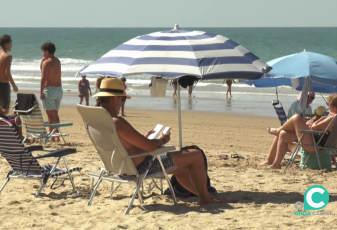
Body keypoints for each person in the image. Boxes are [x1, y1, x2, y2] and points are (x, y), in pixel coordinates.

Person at [95, 78, 235, 205]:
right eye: (123, 99)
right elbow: (150, 147)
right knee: (196, 155)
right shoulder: (117, 122)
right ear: (114, 100)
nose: (122, 103)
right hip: (143, 167)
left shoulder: (99, 121)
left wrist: (144, 138)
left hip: (119, 166)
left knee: (180, 167)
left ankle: (204, 195)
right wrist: (162, 140)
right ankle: (205, 198)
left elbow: (121, 145)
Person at [260, 94, 337, 169]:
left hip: (315, 144)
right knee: (283, 134)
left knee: (296, 118)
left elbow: (314, 127)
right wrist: (316, 120)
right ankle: (274, 163)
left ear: (333, 107)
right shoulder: (333, 118)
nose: (329, 107)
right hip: (316, 141)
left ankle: (277, 130)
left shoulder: (333, 117)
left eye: (329, 105)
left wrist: (322, 118)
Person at [40, 42, 63, 142]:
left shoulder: (47, 62)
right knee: (55, 114)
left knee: (50, 116)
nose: (42, 53)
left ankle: (52, 137)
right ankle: (57, 136)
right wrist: (42, 62)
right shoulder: (57, 61)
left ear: (47, 52)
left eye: (43, 51)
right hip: (58, 90)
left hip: (49, 90)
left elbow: (44, 77)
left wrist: (41, 92)